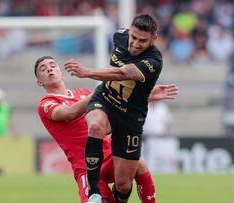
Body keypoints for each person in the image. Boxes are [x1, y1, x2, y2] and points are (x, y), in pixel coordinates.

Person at [35, 56, 177, 203]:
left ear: (62, 73)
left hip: (111, 155)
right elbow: (70, 112)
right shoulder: (46, 104)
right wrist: (102, 91)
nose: (49, 69)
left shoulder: (82, 93)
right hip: (86, 167)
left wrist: (149, 94)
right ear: (39, 82)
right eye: (43, 69)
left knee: (139, 164)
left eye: (52, 65)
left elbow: (116, 101)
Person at [64, 14, 163, 203]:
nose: (135, 44)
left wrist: (87, 72)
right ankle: (94, 193)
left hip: (131, 118)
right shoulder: (119, 35)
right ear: (130, 31)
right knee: (95, 126)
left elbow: (122, 73)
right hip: (106, 100)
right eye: (134, 37)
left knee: (123, 184)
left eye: (143, 41)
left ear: (153, 39)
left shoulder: (154, 61)